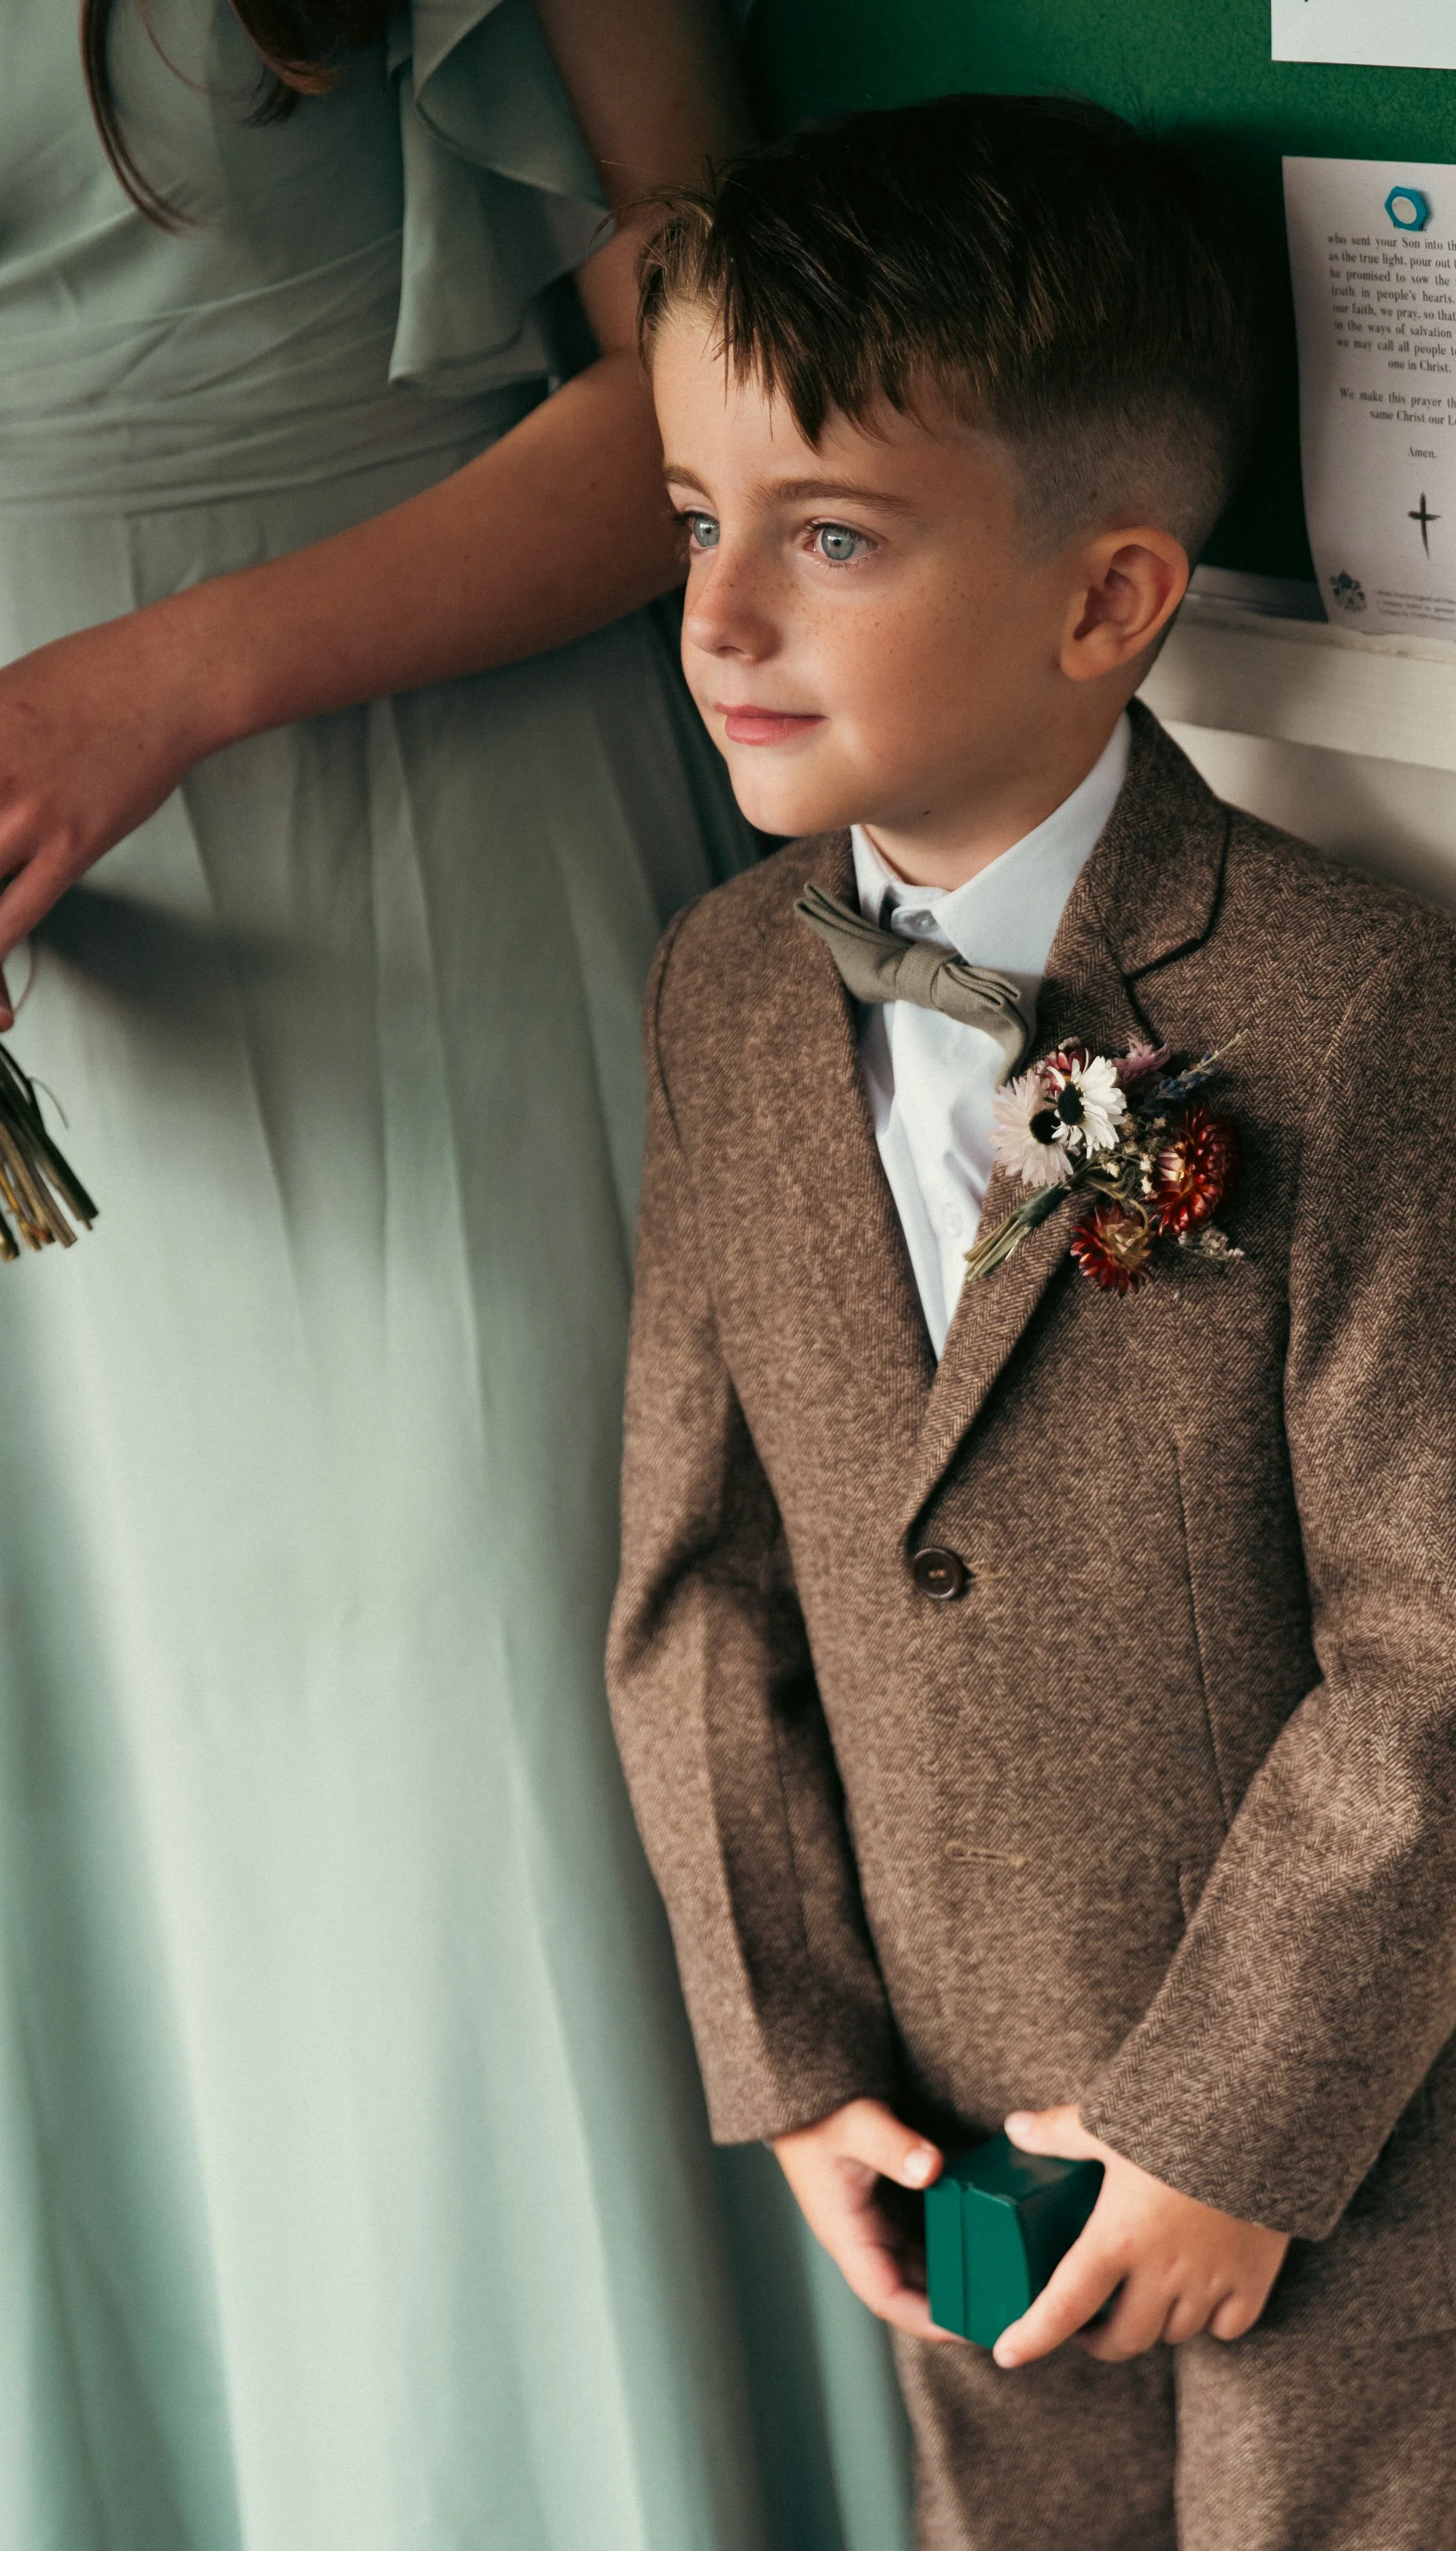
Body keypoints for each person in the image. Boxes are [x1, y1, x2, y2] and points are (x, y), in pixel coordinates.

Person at [607, 94, 1456, 2551]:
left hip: (1337, 2166)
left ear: (1104, 598)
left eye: (830, 538)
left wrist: (1230, 2121)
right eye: (695, 521)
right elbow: (695, 1574)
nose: (722, 616)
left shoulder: (1352, 1005)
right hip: (948, 2145)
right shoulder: (726, 988)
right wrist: (794, 2046)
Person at [0, 5, 846, 2546]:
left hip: (392, 837)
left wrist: (162, 680)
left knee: (451, 1845)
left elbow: (718, 418)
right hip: (59, 961)